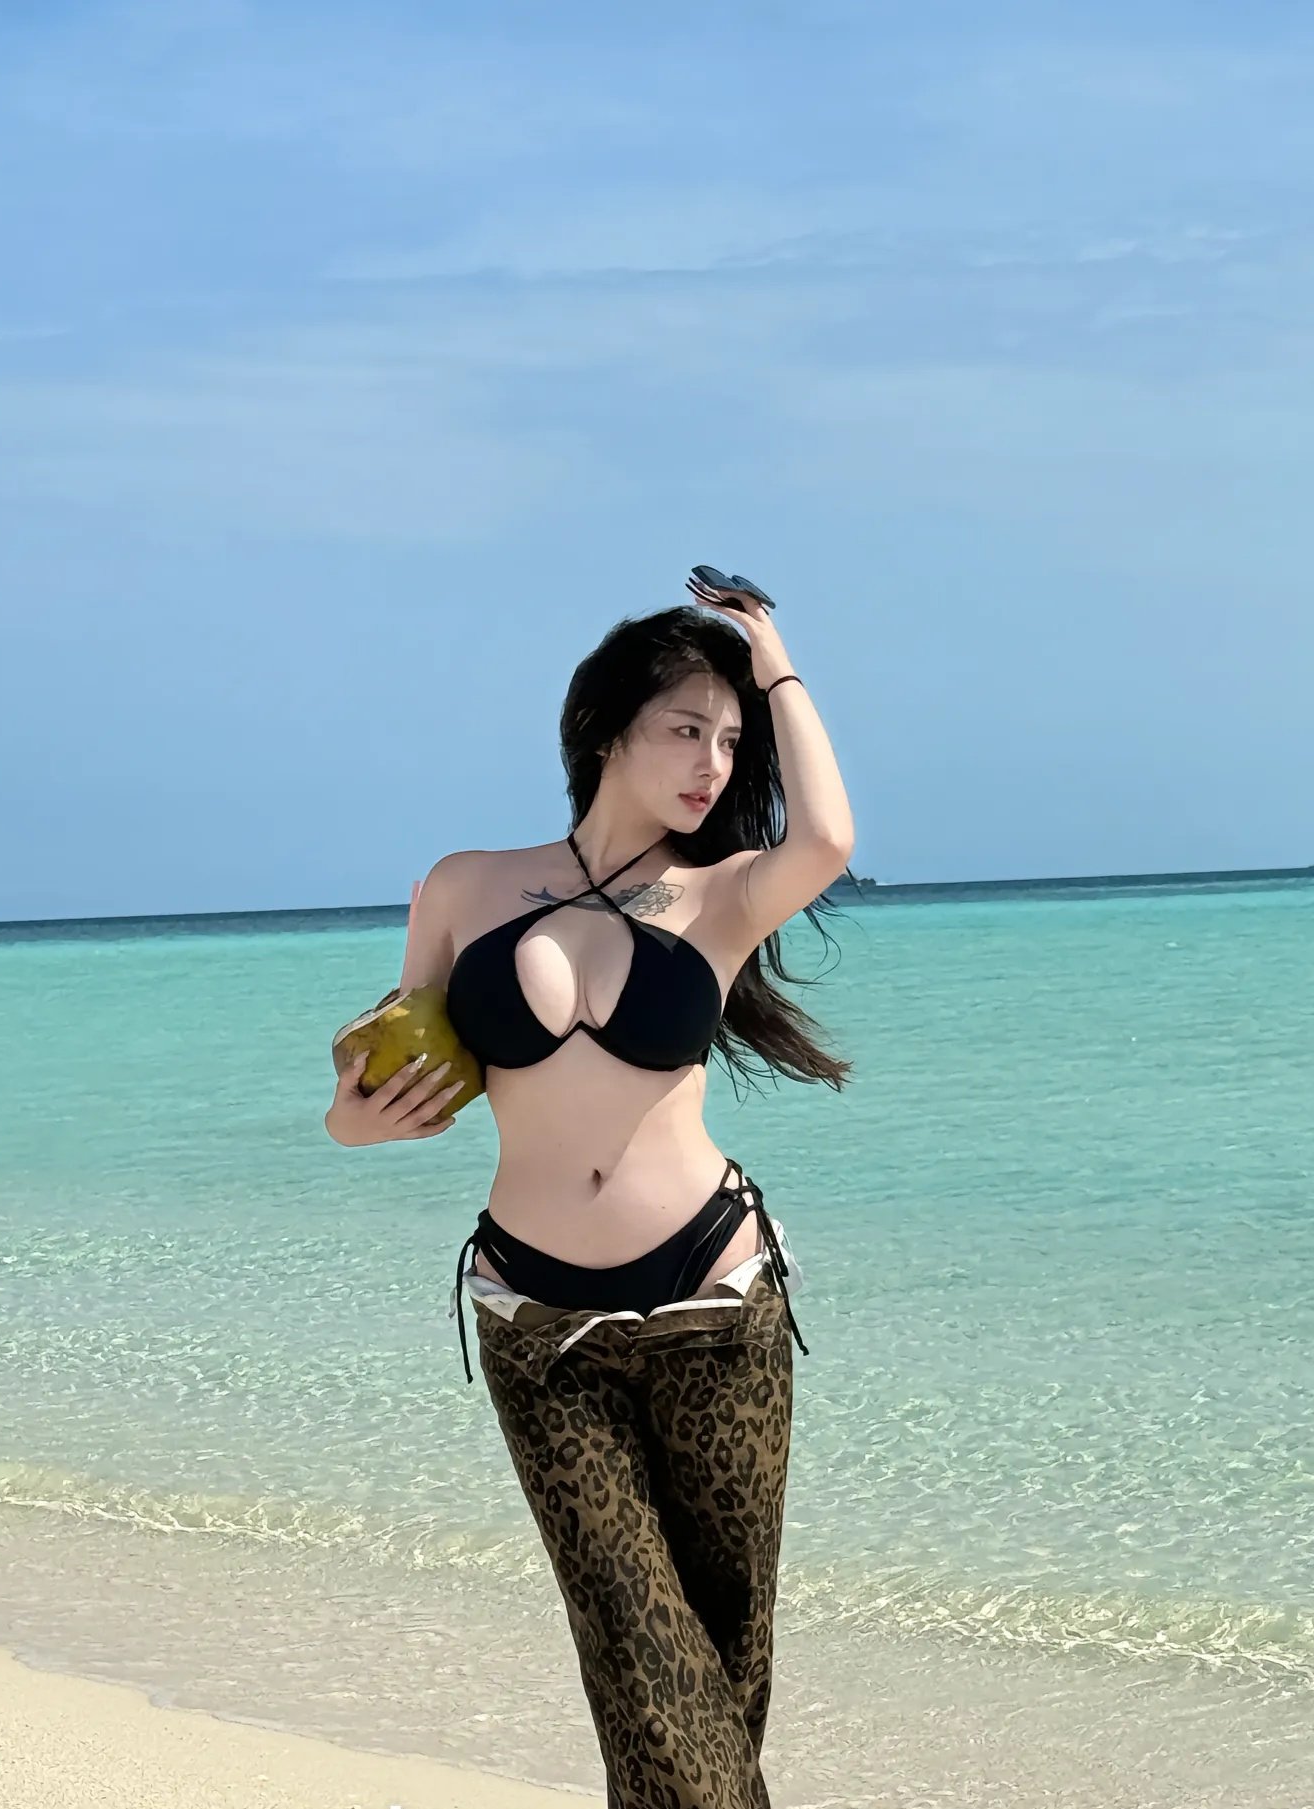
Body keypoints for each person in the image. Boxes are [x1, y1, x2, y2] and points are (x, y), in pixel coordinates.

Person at [326, 581, 855, 1809]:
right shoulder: (464, 888)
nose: (712, 765)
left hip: (716, 1302)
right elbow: (389, 1063)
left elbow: (826, 839)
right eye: (684, 729)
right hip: (538, 1321)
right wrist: (352, 1123)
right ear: (607, 730)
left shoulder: (722, 893)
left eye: (730, 742)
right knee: (635, 1657)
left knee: (721, 1659)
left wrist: (770, 658)